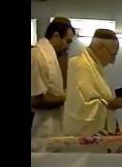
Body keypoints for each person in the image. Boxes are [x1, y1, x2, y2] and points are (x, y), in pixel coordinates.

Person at [63, 29, 122, 136]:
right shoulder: (80, 65)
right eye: (112, 55)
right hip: (82, 141)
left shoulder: (94, 66)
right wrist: (111, 104)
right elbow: (80, 107)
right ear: (101, 48)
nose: (113, 61)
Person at [31, 18, 75, 150]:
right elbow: (36, 100)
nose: (68, 46)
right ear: (56, 35)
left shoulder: (53, 56)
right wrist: (68, 98)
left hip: (55, 129)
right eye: (67, 41)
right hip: (41, 130)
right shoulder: (38, 56)